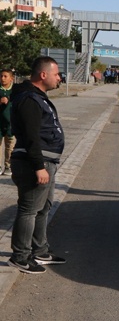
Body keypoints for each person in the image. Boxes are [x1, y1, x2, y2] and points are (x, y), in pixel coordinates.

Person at [7, 56, 65, 274]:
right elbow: (31, 136)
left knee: (44, 207)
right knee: (29, 209)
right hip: (34, 163)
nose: (59, 78)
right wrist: (39, 166)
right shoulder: (29, 99)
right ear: (43, 75)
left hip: (46, 161)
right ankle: (20, 256)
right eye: (56, 74)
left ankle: (39, 251)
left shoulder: (37, 97)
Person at [1, 69, 15, 175]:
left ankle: (8, 166)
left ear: (11, 78)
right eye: (1, 76)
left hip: (11, 124)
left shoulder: (15, 91)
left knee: (10, 145)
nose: (2, 78)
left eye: (5, 76)